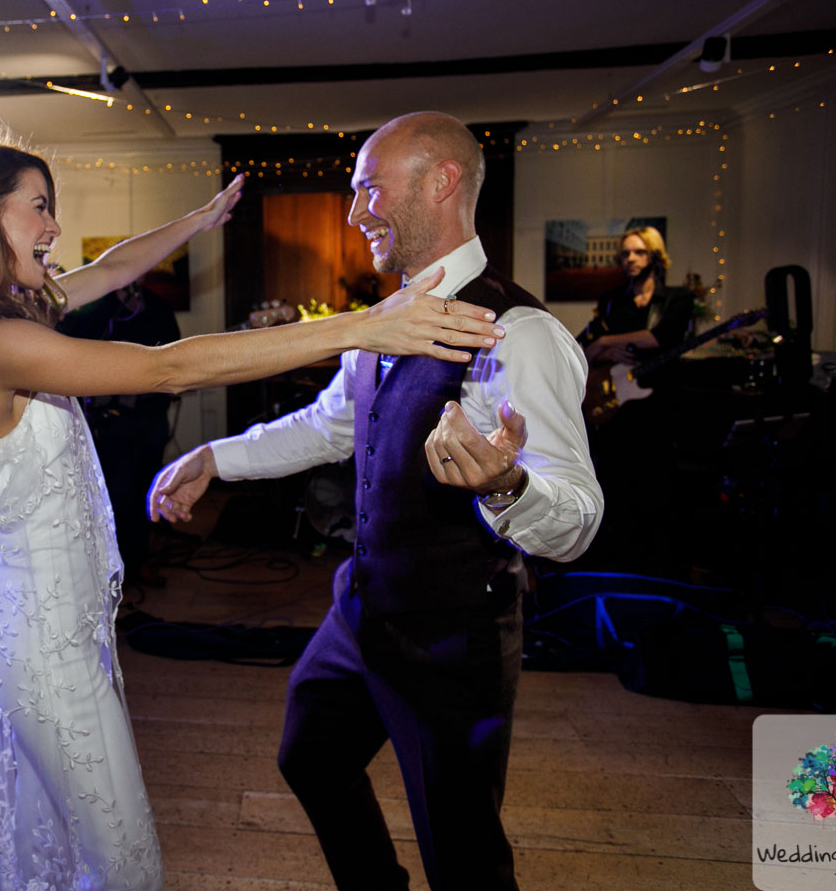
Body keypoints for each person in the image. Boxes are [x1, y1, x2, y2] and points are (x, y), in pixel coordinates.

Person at [0, 133, 508, 891]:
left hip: (68, 636)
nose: (54, 228)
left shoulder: (22, 311)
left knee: (86, 850)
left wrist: (199, 220)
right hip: (40, 657)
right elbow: (166, 367)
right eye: (40, 207)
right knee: (123, 865)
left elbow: (116, 265)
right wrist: (359, 325)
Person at [147, 112, 604, 891]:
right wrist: (214, 458)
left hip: (452, 638)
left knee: (463, 856)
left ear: (442, 182)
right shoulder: (378, 323)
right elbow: (327, 425)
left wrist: (508, 487)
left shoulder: (517, 333)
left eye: (368, 191)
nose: (356, 213)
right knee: (311, 756)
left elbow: (579, 519)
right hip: (361, 610)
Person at [57, 281, 181, 587]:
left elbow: (175, 347)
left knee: (146, 491)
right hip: (113, 422)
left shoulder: (156, 305)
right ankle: (112, 570)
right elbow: (73, 342)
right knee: (115, 497)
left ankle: (139, 561)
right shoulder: (97, 306)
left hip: (151, 417)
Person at [577, 225, 694, 366]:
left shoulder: (678, 297)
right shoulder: (611, 300)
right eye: (625, 254)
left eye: (640, 252)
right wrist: (606, 354)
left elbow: (662, 337)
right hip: (619, 383)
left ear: (655, 257)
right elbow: (587, 348)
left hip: (664, 383)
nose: (631, 259)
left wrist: (604, 341)